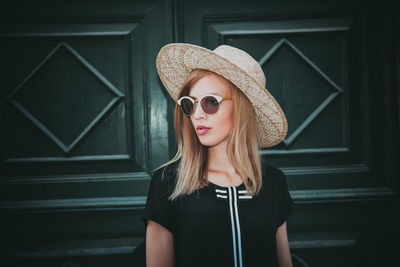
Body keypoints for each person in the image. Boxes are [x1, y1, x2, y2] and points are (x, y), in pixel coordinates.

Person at [141, 43, 295, 267]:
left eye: (210, 102)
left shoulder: (273, 182)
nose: (197, 115)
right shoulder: (167, 183)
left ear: (241, 108)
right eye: (190, 104)